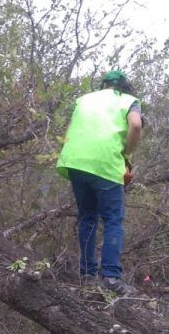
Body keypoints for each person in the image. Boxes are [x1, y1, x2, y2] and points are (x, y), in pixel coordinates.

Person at [55, 70, 143, 294]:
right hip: (105, 164)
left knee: (87, 218)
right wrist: (127, 155)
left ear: (103, 85)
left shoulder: (84, 100)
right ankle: (111, 277)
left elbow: (72, 129)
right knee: (113, 219)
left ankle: (87, 275)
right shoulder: (129, 101)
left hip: (75, 161)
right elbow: (135, 125)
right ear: (125, 87)